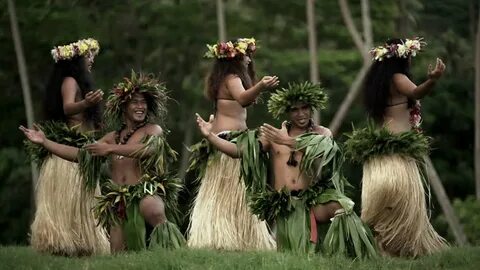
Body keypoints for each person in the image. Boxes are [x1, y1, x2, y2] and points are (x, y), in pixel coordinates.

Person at [195, 82, 377, 257]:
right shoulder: (272, 136)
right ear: (287, 112)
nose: (301, 114)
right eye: (295, 109)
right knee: (296, 254)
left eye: (304, 108)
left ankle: (346, 254)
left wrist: (287, 142)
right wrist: (210, 136)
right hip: (286, 205)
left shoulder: (322, 133)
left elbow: (321, 152)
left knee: (343, 206)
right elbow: (239, 152)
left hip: (313, 201)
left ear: (311, 108)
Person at [21, 71, 185, 253]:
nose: (141, 106)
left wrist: (111, 149)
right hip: (118, 199)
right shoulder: (111, 137)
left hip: (145, 189)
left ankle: (174, 250)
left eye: (144, 102)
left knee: (152, 209)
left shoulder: (152, 130)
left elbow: (149, 150)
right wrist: (46, 142)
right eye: (135, 102)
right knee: (116, 251)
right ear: (123, 107)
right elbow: (80, 155)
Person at [344, 37, 448, 257]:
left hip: (383, 154)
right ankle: (398, 247)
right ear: (402, 57)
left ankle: (385, 249)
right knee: (401, 203)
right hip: (398, 151)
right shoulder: (398, 78)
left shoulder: (380, 82)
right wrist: (433, 80)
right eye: (409, 57)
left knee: (387, 205)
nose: (411, 62)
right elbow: (417, 92)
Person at [187, 38, 278, 250]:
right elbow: (244, 98)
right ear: (235, 58)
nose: (249, 59)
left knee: (225, 194)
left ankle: (227, 237)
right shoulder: (232, 77)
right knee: (232, 193)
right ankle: (228, 238)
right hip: (229, 141)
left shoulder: (223, 78)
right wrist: (261, 86)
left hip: (223, 140)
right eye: (246, 55)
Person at [28, 38, 108, 256]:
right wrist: (86, 104)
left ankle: (80, 243)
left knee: (80, 202)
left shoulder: (80, 83)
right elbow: (68, 108)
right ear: (75, 61)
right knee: (69, 202)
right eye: (87, 56)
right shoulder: (71, 81)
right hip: (68, 153)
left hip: (81, 150)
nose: (91, 60)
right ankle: (64, 242)